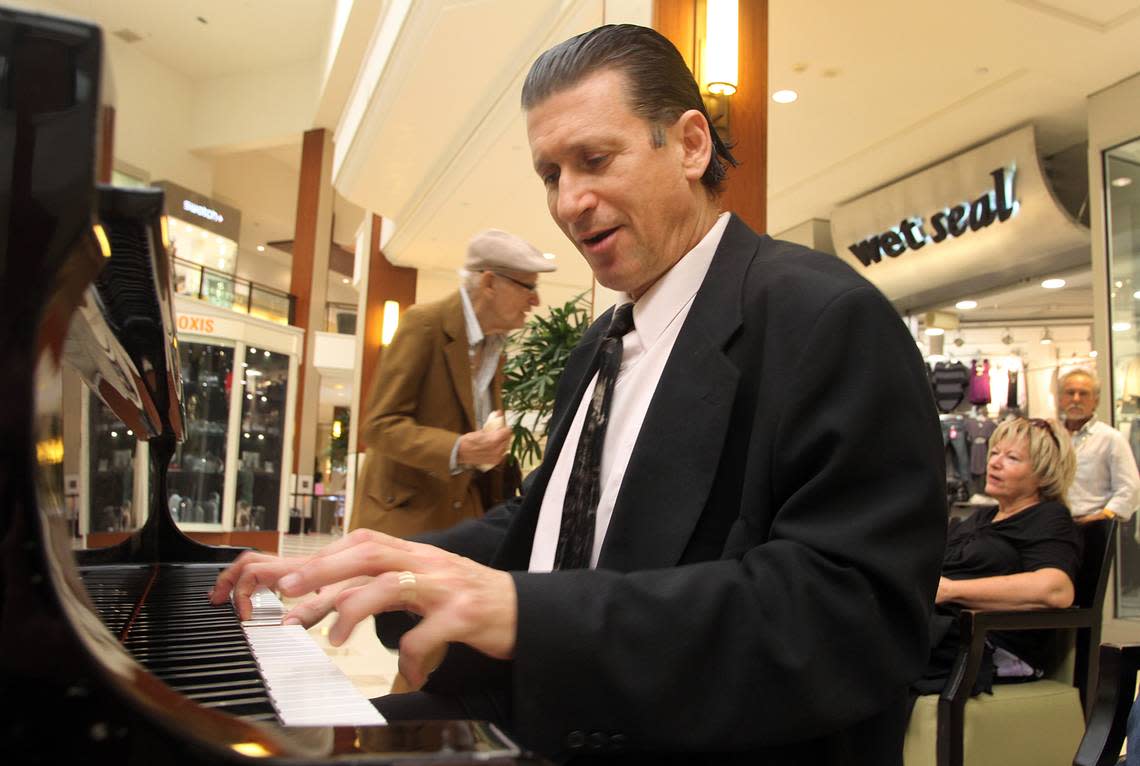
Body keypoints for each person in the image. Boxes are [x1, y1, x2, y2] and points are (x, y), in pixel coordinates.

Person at [212, 24, 946, 764]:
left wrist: (528, 614)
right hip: (539, 710)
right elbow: (546, 522)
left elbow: (851, 620)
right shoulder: (600, 345)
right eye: (551, 174)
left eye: (595, 160)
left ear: (691, 145)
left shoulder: (824, 317)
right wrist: (391, 562)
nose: (569, 201)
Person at [350, 229, 555, 538]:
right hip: (404, 526)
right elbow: (379, 426)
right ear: (489, 283)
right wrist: (459, 449)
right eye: (528, 286)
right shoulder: (424, 325)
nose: (535, 300)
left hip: (458, 529)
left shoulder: (495, 348)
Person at [915, 417, 1080, 696]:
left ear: (1044, 472)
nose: (994, 463)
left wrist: (951, 590)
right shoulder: (979, 518)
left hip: (986, 646)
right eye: (994, 453)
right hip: (939, 631)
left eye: (1012, 458)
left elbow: (1056, 589)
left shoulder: (1048, 517)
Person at [1058, 368, 1140, 525]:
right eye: (1070, 392)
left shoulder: (1110, 438)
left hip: (1094, 527)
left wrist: (1105, 515)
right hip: (1055, 525)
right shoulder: (1051, 437)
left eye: (1083, 393)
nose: (1076, 399)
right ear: (1061, 399)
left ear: (1096, 401)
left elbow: (1130, 488)